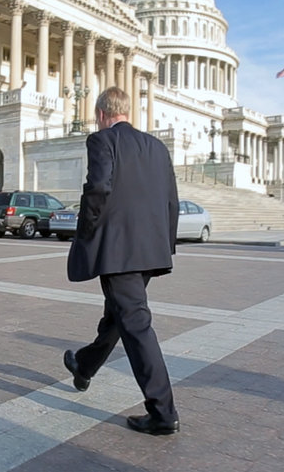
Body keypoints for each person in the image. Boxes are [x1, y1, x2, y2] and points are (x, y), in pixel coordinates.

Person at [64, 87, 180, 436]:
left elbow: (98, 188)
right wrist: (166, 244)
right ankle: (84, 365)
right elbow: (172, 200)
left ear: (101, 113)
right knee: (119, 316)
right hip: (150, 249)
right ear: (126, 111)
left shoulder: (102, 141)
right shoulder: (157, 147)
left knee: (136, 326)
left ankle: (163, 412)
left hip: (118, 251)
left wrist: (87, 232)